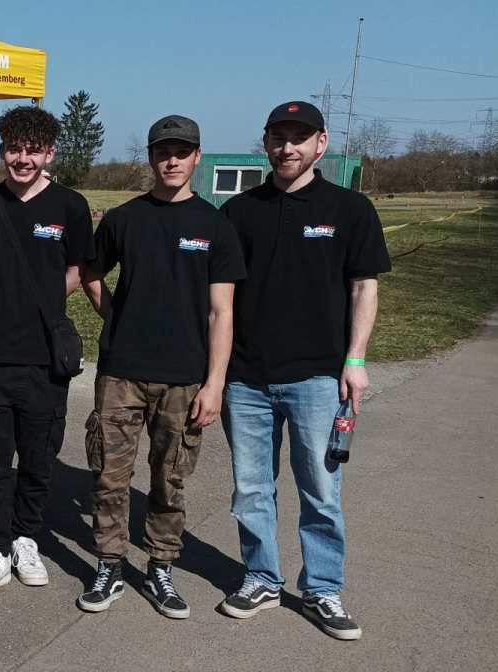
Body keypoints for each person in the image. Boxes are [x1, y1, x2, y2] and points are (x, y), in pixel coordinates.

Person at [216, 101, 390, 641]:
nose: (287, 147)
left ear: (321, 142)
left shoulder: (351, 209)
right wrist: (216, 372)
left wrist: (355, 361)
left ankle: (322, 589)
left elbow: (365, 288)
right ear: (265, 143)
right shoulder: (239, 212)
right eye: (278, 137)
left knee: (320, 488)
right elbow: (220, 299)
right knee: (251, 488)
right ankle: (262, 578)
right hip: (246, 378)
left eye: (299, 137)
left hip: (318, 378)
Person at [75, 115, 245, 619]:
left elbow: (223, 311)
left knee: (170, 479)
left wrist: (215, 384)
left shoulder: (215, 225)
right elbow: (91, 274)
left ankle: (160, 567)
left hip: (185, 377)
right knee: (110, 475)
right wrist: (117, 316)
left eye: (181, 151)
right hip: (121, 372)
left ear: (197, 157)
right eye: (162, 151)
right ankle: (109, 563)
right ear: (150, 157)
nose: (171, 160)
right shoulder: (125, 219)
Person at [0, 105, 93, 599]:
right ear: (2, 150)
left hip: (43, 361)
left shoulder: (70, 207)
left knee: (38, 459)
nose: (22, 158)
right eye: (14, 148)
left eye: (32, 149)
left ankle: (25, 539)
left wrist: (44, 304)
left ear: (49, 153)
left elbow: (77, 270)